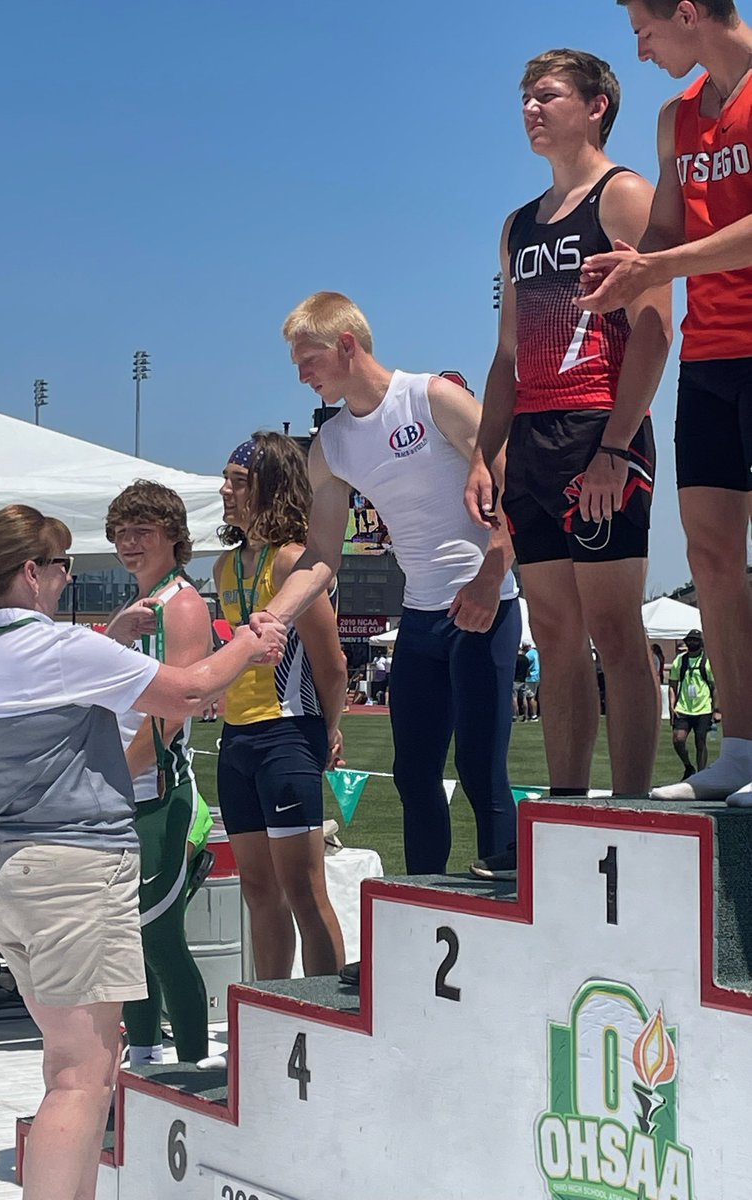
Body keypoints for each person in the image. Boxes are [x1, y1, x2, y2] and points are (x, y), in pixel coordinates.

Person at [0, 504, 284, 1200]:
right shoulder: (59, 651)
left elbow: (56, 686)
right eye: (63, 567)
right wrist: (249, 642)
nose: (69, 579)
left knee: (70, 1065)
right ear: (33, 572)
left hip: (10, 874)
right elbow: (188, 690)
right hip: (73, 874)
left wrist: (109, 635)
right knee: (81, 1080)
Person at [465, 49, 671, 799]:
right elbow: (508, 354)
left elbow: (654, 332)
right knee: (554, 637)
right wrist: (486, 455)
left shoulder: (623, 197)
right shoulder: (517, 226)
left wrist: (617, 443)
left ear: (595, 107)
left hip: (600, 429)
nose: (529, 107)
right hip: (535, 436)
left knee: (615, 632)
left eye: (545, 94)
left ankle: (635, 810)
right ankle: (566, 808)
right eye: (523, 95)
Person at [269, 292, 521, 881]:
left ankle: (509, 896)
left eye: (309, 359)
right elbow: (323, 555)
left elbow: (517, 483)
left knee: (483, 770)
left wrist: (492, 573)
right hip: (421, 618)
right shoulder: (329, 446)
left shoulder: (432, 397)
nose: (302, 375)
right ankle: (422, 902)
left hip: (485, 605)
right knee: (414, 774)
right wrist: (274, 615)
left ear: (347, 346)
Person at [579, 1, 752, 804]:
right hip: (711, 357)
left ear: (688, 11)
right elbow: (667, 237)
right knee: (713, 559)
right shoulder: (675, 119)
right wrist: (625, 269)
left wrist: (661, 264)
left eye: (644, 32)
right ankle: (742, 751)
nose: (640, 51)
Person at [215, 432, 347, 979]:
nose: (224, 490)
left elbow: (332, 664)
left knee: (304, 892)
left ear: (270, 488)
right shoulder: (226, 567)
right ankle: (270, 1005)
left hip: (289, 733)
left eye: (238, 482)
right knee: (257, 890)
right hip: (237, 738)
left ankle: (327, 1011)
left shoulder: (295, 561)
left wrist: (328, 732)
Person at [104, 480, 215, 1069]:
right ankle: (143, 1064)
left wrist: (114, 779)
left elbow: (174, 714)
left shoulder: (183, 605)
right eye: (121, 533)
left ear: (174, 535)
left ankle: (195, 1071)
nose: (129, 543)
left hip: (159, 797)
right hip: (126, 796)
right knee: (129, 944)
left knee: (160, 938)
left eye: (142, 531)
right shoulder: (138, 608)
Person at [669, 627, 719, 778]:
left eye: (695, 640)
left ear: (700, 643)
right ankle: (688, 766)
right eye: (690, 640)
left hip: (703, 708)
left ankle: (701, 774)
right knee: (678, 739)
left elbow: (714, 687)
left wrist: (716, 709)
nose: (692, 643)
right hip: (683, 708)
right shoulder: (680, 661)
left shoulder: (707, 662)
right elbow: (672, 685)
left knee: (701, 742)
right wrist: (672, 705)